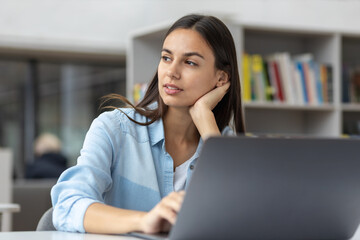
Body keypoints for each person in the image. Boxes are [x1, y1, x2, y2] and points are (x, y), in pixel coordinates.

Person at [51, 14, 245, 234]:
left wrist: (206, 122)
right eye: (166, 58)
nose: (172, 72)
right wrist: (145, 221)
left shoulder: (224, 142)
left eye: (190, 62)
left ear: (221, 79)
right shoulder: (114, 128)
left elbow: (242, 219)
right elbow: (68, 206)